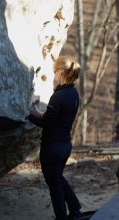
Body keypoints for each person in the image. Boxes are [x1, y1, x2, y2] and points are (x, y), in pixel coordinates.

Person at [28, 55, 82, 220]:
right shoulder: (73, 93)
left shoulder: (57, 96)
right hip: (65, 146)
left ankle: (62, 217)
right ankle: (75, 208)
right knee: (57, 178)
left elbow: (46, 123)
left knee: (54, 185)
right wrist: (37, 111)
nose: (53, 75)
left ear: (60, 72)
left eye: (54, 72)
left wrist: (28, 115)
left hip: (52, 149)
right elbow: (57, 117)